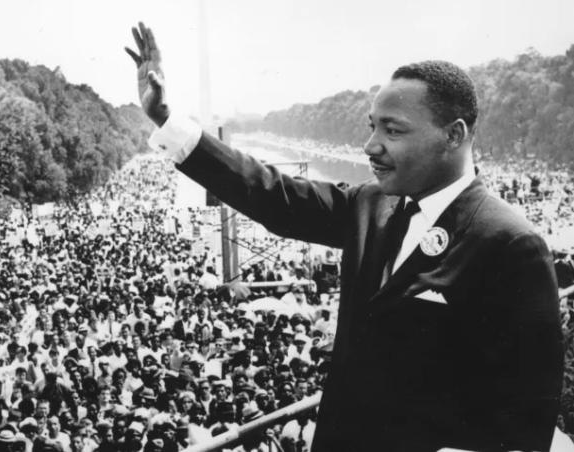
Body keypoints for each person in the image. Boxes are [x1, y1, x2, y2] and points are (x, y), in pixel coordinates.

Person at [125, 22, 564, 451]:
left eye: (392, 130)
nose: (370, 146)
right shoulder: (371, 204)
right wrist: (167, 120)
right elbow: (271, 195)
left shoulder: (510, 244)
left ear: (454, 135)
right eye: (371, 127)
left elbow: (525, 424)